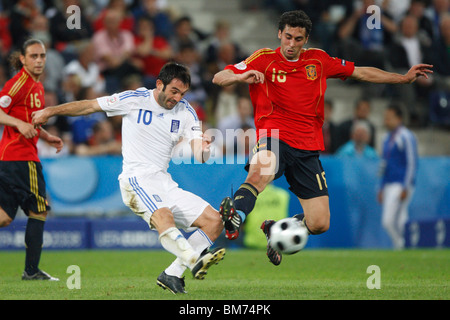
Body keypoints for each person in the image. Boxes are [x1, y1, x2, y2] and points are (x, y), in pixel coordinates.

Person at [212, 10, 432, 265]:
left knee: (319, 223)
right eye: (288, 37)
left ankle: (276, 229)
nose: (291, 44)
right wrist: (240, 76)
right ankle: (235, 216)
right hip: (274, 134)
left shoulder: (318, 60)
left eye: (298, 39)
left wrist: (402, 78)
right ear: (279, 34)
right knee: (261, 172)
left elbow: (360, 72)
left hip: (307, 147)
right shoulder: (263, 59)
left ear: (306, 40)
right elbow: (220, 77)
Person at [32, 62, 225, 294]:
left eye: (182, 93)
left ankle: (172, 274)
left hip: (164, 181)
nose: (177, 98)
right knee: (164, 215)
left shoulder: (187, 112)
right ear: (159, 84)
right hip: (136, 179)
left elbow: (200, 155)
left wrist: (204, 147)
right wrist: (50, 111)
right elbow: (89, 106)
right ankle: (195, 260)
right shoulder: (135, 99)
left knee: (215, 221)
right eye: (174, 91)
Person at [0, 39, 63, 280]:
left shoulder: (36, 86)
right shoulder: (19, 83)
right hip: (21, 158)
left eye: (42, 56)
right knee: (39, 209)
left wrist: (46, 136)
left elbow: (28, 120)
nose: (38, 60)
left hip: (10, 158)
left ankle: (32, 270)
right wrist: (18, 123)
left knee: (5, 217)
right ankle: (31, 271)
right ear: (23, 59)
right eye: (33, 56)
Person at [378, 104, 418, 249]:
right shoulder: (386, 138)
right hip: (389, 183)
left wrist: (406, 186)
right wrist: (381, 187)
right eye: (385, 118)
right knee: (401, 219)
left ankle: (400, 244)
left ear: (399, 118)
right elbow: (384, 164)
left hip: (400, 183)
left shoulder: (406, 136)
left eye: (389, 118)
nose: (386, 121)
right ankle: (406, 245)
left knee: (388, 221)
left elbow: (412, 162)